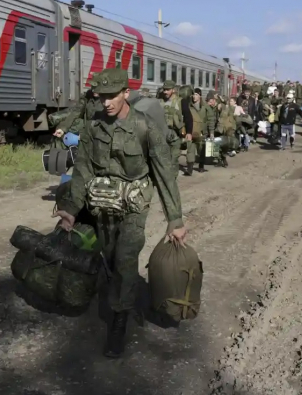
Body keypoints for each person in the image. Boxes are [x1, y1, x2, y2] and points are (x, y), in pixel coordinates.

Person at [53, 68, 187, 359]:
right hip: (102, 203)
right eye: (102, 97)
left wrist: (175, 220)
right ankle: (118, 294)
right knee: (110, 257)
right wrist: (72, 210)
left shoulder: (146, 127)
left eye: (113, 96)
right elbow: (83, 170)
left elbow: (164, 175)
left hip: (133, 206)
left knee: (126, 259)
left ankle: (119, 321)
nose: (107, 103)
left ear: (126, 93)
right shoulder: (92, 128)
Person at [160, 80, 185, 176]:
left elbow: (186, 118)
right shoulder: (161, 101)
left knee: (173, 159)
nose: (165, 92)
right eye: (164, 90)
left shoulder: (180, 102)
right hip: (163, 135)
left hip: (175, 135)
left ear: (173, 90)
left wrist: (184, 132)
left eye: (167, 90)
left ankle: (172, 179)